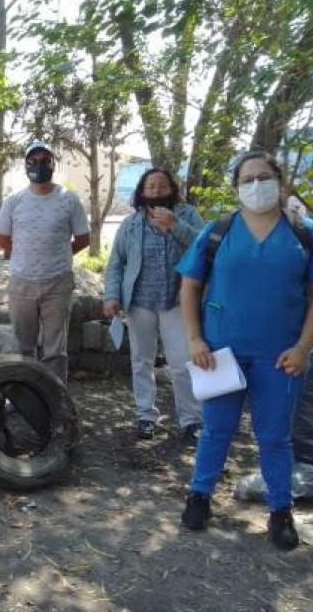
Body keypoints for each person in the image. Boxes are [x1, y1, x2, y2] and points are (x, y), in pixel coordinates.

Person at [178, 150, 313, 550]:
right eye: (247, 180)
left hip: (280, 358)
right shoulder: (218, 231)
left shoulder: (306, 233)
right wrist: (195, 339)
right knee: (215, 430)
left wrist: (303, 347)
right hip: (219, 354)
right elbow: (190, 286)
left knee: (275, 437)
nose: (256, 185)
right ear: (236, 188)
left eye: (264, 177)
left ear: (280, 182)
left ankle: (280, 510)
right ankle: (199, 496)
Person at [103, 167, 205, 443]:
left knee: (182, 363)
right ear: (142, 192)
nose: (156, 191)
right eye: (150, 186)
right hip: (140, 303)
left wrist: (175, 226)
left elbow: (208, 247)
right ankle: (145, 415)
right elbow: (116, 263)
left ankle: (191, 419)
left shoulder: (188, 215)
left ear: (172, 189)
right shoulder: (131, 224)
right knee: (141, 361)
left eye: (162, 186)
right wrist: (111, 296)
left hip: (178, 301)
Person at [0, 140, 91, 383]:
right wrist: (24, 253)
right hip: (22, 283)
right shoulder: (14, 201)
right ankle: (26, 395)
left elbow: (83, 238)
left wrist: (59, 254)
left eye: (45, 160)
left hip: (58, 284)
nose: (39, 165)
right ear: (26, 166)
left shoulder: (69, 199)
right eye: (33, 161)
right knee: (23, 347)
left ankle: (55, 397)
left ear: (53, 164)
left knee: (55, 349)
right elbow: (1, 237)